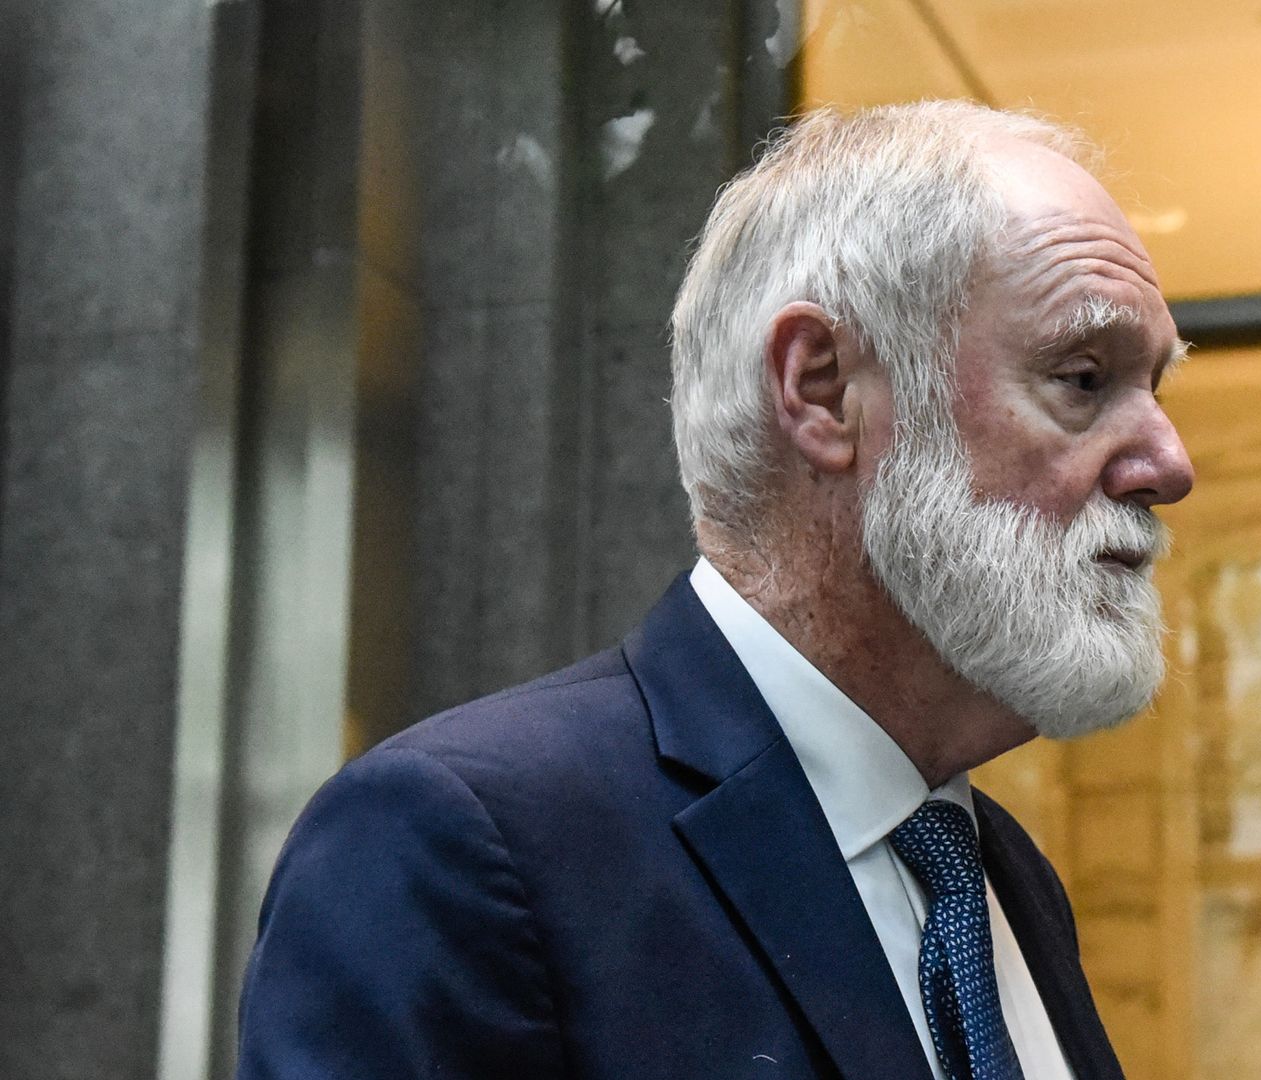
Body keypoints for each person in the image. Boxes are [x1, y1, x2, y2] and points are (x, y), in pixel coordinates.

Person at [236, 100, 1194, 1080]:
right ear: (823, 390)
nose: (1169, 460)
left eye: (1155, 389)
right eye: (1083, 379)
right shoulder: (457, 849)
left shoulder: (999, 874)